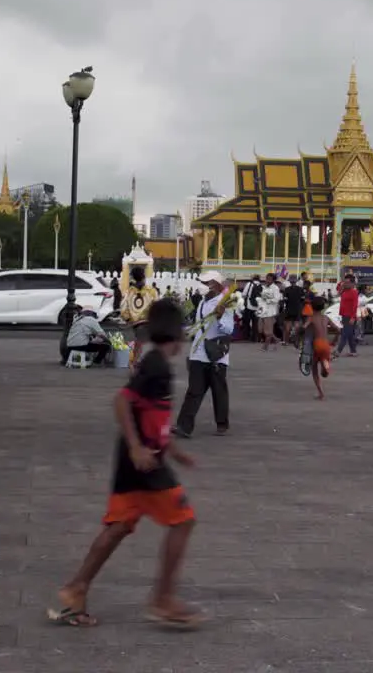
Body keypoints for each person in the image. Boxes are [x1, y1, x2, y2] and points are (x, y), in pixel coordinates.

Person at [48, 298, 203, 629]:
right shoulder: (157, 366)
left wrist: (174, 451)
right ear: (176, 333)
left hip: (139, 461)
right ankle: (163, 600)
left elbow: (152, 417)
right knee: (183, 520)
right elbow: (122, 401)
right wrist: (137, 447)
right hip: (144, 465)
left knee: (118, 526)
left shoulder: (156, 362)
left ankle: (76, 589)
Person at [175, 271, 233, 438]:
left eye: (208, 282)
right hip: (198, 353)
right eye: (203, 282)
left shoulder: (224, 303)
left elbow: (229, 329)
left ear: (216, 284)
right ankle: (184, 426)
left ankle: (222, 423)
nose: (204, 285)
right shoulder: (201, 302)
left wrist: (221, 317)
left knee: (218, 390)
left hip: (216, 354)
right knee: (194, 390)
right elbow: (195, 323)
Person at [120, 266, 159, 372]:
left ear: (132, 277)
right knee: (147, 345)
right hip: (150, 322)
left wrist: (128, 319)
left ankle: (136, 365)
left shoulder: (128, 292)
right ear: (144, 276)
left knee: (140, 344)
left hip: (136, 324)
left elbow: (123, 308)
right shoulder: (152, 291)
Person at [308, 295, 332, 399]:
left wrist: (298, 331)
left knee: (314, 368)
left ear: (311, 307)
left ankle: (320, 393)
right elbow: (338, 330)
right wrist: (334, 340)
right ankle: (325, 364)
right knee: (323, 360)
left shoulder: (311, 318)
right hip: (326, 344)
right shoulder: (326, 318)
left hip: (316, 344)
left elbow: (303, 328)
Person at [336, 274, 361, 357]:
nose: (345, 284)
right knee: (350, 335)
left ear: (352, 284)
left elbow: (355, 305)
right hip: (344, 315)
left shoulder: (354, 292)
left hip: (350, 316)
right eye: (345, 282)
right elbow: (338, 290)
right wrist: (342, 283)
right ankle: (353, 351)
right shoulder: (344, 291)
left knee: (345, 334)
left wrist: (353, 317)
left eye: (347, 282)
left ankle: (338, 351)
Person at [257, 272, 282, 350]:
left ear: (273, 280)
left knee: (267, 331)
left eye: (269, 279)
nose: (267, 280)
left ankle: (265, 347)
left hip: (270, 311)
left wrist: (268, 300)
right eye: (267, 278)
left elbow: (277, 299)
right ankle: (276, 339)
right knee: (260, 329)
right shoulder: (264, 287)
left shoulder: (275, 288)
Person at [282, 275, 306, 347]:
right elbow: (303, 300)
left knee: (288, 328)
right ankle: (296, 342)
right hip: (297, 310)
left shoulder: (287, 289)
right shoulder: (301, 289)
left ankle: (286, 342)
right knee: (296, 328)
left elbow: (285, 300)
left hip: (289, 310)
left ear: (290, 281)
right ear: (296, 281)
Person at [240, 274, 262, 343]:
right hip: (257, 306)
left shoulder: (249, 284)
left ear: (253, 278)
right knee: (255, 323)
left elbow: (244, 294)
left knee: (247, 321)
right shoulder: (261, 285)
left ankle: (246, 336)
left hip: (249, 305)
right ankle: (255, 337)